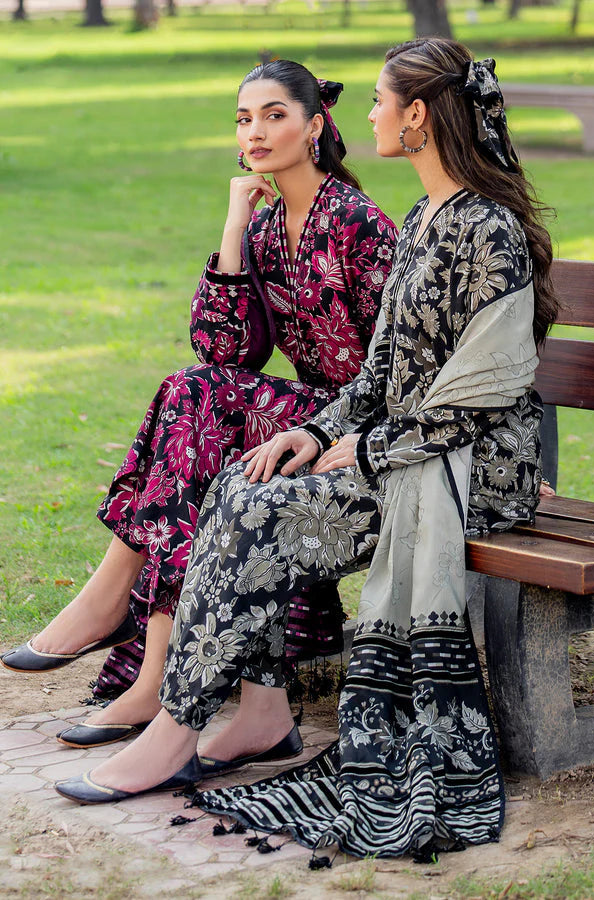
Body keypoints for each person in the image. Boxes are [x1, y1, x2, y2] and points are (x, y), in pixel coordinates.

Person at [54, 37, 558, 862]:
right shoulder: (424, 219)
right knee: (240, 487)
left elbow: (480, 397)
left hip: (468, 471)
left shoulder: (485, 231)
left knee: (259, 517)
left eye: (380, 102)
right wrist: (315, 431)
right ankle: (236, 713)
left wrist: (363, 451)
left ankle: (174, 734)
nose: (370, 116)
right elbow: (380, 372)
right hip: (402, 450)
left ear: (418, 117)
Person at [0, 60, 398, 752]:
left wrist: (360, 432)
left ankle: (122, 619)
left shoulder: (358, 223)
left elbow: (403, 362)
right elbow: (224, 349)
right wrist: (235, 224)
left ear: (315, 126)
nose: (256, 132)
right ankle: (147, 662)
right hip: (308, 416)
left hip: (362, 427)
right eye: (244, 119)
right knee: (194, 397)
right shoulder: (267, 228)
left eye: (274, 115)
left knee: (194, 399)